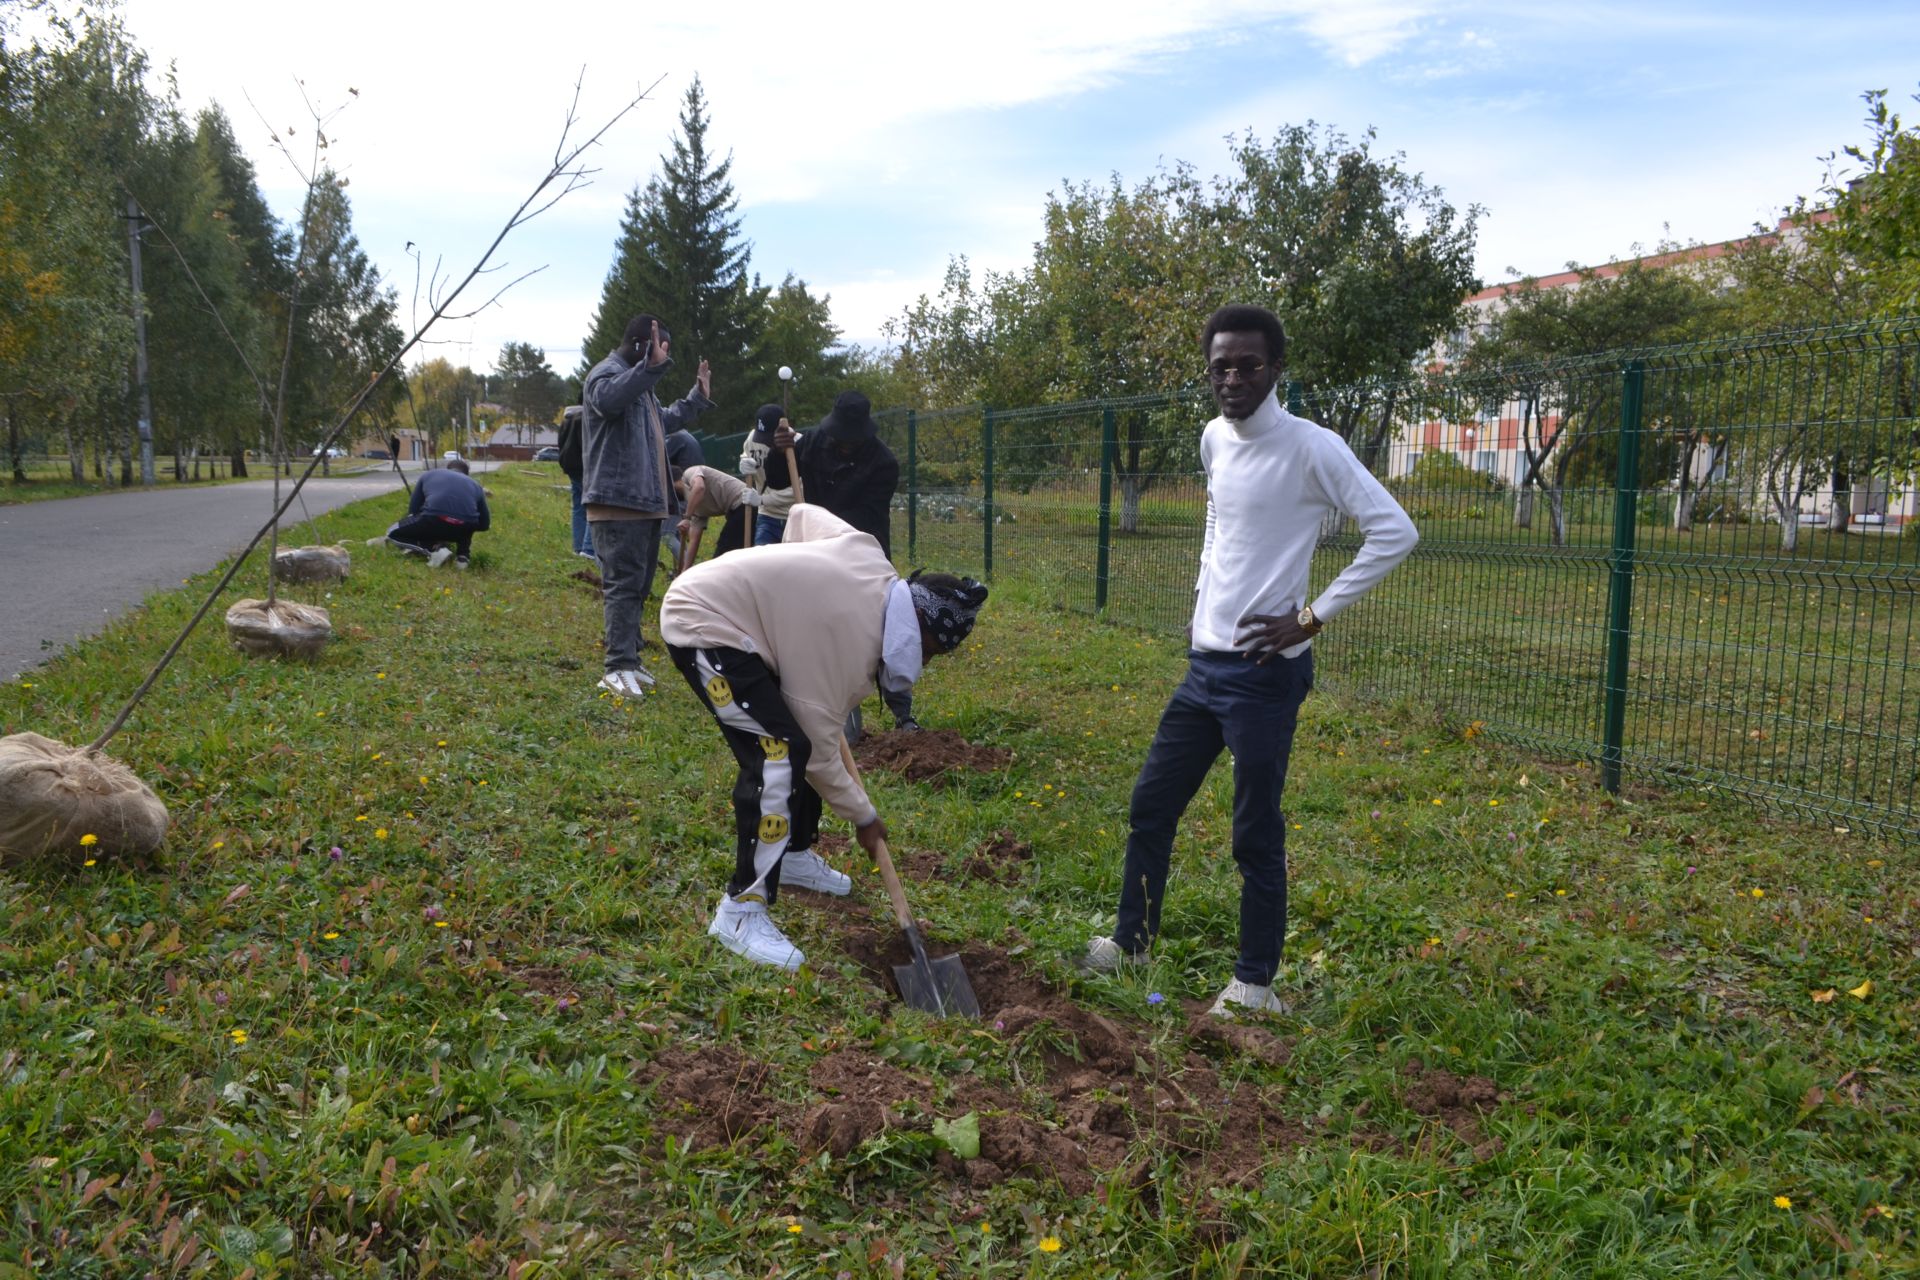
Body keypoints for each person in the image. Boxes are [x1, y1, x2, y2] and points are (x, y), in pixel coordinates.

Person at [1081, 305, 1419, 1018]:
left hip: (1265, 674)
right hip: (1205, 667)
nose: (1232, 379)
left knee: (1253, 831)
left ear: (1275, 370)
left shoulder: (1311, 447)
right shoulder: (1213, 439)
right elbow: (1218, 519)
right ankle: (1130, 941)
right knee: (1152, 805)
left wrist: (1310, 617)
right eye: (1220, 366)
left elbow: (1394, 531)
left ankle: (1254, 985)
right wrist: (1204, 599)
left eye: (1248, 365)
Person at [661, 503, 987, 970]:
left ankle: (790, 853)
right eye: (929, 653)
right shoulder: (848, 645)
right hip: (704, 622)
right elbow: (817, 758)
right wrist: (864, 816)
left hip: (748, 628)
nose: (927, 665)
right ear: (913, 633)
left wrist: (791, 595)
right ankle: (740, 910)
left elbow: (802, 514)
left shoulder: (869, 555)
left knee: (810, 736)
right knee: (781, 751)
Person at [580, 315, 713, 698]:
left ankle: (631, 661)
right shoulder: (605, 375)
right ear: (643, 345)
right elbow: (608, 401)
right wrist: (648, 369)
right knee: (622, 585)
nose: (663, 356)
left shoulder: (639, 387)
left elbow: (666, 420)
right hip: (618, 503)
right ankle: (616, 666)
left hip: (644, 503)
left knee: (638, 586)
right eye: (661, 348)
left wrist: (697, 398)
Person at [772, 391, 918, 732]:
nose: (843, 447)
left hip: (864, 554)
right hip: (817, 551)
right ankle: (832, 713)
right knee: (823, 632)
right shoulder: (814, 442)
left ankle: (902, 711)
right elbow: (780, 480)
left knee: (880, 630)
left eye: (851, 442)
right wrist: (781, 453)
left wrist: (817, 522)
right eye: (839, 440)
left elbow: (861, 516)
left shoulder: (883, 463)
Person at [385, 457, 490, 568]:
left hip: (434, 518)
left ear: (447, 469)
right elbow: (484, 525)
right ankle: (462, 557)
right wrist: (456, 522)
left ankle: (433, 550)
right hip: (464, 527)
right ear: (466, 474)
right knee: (467, 521)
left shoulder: (429, 474)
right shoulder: (476, 486)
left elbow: (413, 511)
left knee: (391, 533)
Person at [738, 403, 798, 546]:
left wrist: (762, 500)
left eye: (769, 437)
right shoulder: (753, 437)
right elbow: (746, 453)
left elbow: (798, 489)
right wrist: (744, 462)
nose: (764, 442)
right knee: (761, 564)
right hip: (767, 516)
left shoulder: (797, 444)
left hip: (793, 516)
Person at [557, 405, 592, 559]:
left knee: (578, 507)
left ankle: (578, 547)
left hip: (570, 467)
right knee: (593, 507)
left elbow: (560, 443)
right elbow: (587, 446)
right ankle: (588, 549)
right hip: (585, 468)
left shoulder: (566, 420)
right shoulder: (584, 419)